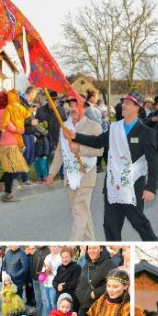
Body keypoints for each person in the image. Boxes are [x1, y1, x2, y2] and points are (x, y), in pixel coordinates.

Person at [69, 91, 158, 241]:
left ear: (137, 107)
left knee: (138, 223)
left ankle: (152, 243)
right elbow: (98, 142)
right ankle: (114, 251)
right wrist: (76, 136)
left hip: (133, 186)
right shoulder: (115, 128)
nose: (123, 105)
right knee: (110, 225)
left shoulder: (146, 132)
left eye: (128, 103)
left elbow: (153, 162)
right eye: (123, 102)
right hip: (113, 185)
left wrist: (151, 187)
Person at [47, 95, 104, 241]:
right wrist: (52, 173)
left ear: (84, 108)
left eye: (76, 105)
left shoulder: (94, 126)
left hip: (87, 174)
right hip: (70, 175)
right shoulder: (64, 126)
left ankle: (74, 243)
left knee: (79, 209)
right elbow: (60, 152)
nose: (73, 109)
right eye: (71, 105)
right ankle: (91, 242)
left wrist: (80, 150)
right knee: (81, 211)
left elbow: (100, 151)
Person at [0, 90, 32, 202]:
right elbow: (10, 125)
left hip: (6, 142)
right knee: (13, 169)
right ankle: (8, 194)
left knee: (12, 168)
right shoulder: (4, 111)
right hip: (10, 143)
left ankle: (1, 185)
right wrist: (19, 130)